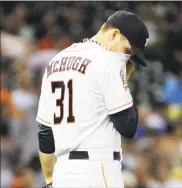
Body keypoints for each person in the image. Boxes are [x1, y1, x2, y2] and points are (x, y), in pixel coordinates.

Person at [36, 10, 149, 188]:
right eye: (128, 50)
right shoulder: (109, 60)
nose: (128, 57)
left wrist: (50, 179)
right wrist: (124, 83)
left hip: (63, 173)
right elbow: (128, 127)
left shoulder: (56, 61)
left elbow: (45, 134)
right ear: (114, 34)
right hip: (98, 170)